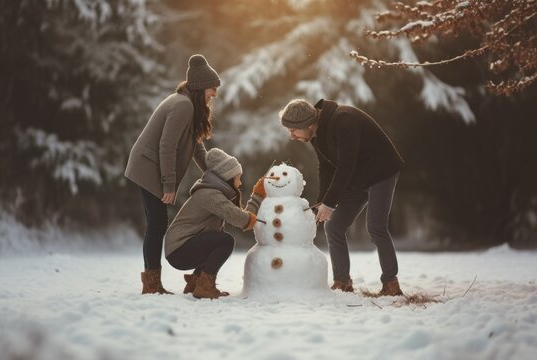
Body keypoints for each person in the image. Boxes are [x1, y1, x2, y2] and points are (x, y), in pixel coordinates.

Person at [278, 99, 405, 296]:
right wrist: (321, 202)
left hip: (381, 173)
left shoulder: (343, 121)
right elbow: (326, 168)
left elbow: (346, 166)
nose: (291, 136)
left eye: (294, 130)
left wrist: (330, 203)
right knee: (334, 227)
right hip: (358, 177)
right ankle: (342, 282)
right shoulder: (316, 135)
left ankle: (391, 284)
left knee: (376, 227)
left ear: (309, 124)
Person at [125, 54, 221, 294]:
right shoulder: (182, 105)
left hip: (148, 165)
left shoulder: (187, 104)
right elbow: (166, 146)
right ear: (200, 88)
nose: (215, 94)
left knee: (156, 223)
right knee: (157, 224)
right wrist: (168, 184)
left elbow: (196, 146)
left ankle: (153, 282)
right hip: (148, 168)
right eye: (212, 88)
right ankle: (152, 284)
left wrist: (213, 172)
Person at [164, 148, 265, 299]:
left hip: (180, 248)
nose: (240, 181)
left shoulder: (215, 193)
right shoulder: (210, 194)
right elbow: (241, 219)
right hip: (179, 249)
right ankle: (204, 286)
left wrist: (257, 196)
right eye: (238, 177)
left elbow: (241, 215)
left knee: (217, 239)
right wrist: (257, 196)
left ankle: (196, 282)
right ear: (229, 177)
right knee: (225, 241)